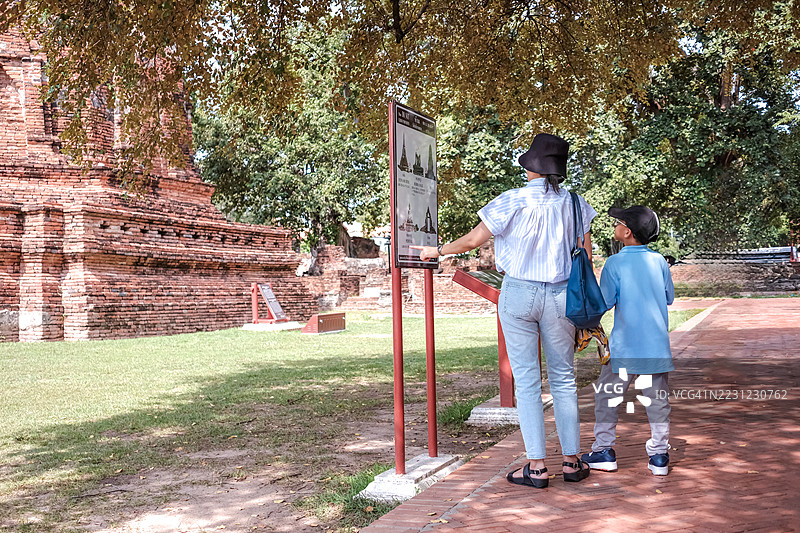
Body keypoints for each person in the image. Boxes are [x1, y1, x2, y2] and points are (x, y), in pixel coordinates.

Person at [413, 133, 596, 488]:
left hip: (519, 292)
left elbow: (471, 241)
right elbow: (585, 254)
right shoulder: (576, 204)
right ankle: (573, 462)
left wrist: (435, 251)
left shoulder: (510, 201)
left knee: (527, 381)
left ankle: (538, 468)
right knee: (563, 380)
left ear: (531, 167)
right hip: (561, 296)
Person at [581, 205, 674, 476]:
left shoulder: (614, 263)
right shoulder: (658, 261)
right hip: (656, 348)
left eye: (618, 222)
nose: (615, 227)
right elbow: (669, 297)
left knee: (608, 398)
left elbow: (606, 302)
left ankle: (604, 450)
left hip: (624, 348)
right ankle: (659, 456)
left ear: (628, 232)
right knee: (657, 401)